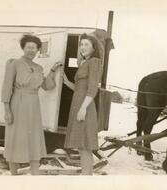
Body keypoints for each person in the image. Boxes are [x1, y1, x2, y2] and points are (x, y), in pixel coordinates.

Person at [1, 34, 62, 175]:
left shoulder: (39, 68)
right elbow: (6, 88)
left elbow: (47, 86)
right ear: (23, 48)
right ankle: (14, 176)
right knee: (15, 137)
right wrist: (7, 110)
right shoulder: (14, 63)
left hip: (34, 106)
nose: (31, 50)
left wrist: (53, 70)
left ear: (38, 49)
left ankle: (35, 177)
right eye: (28, 47)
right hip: (17, 104)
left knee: (34, 138)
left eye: (34, 47)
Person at [63, 33, 102, 175]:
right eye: (82, 44)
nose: (83, 47)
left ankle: (87, 178)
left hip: (84, 106)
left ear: (93, 48)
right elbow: (80, 88)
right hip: (78, 105)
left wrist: (83, 108)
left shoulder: (94, 61)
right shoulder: (84, 63)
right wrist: (67, 82)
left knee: (85, 146)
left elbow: (92, 88)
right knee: (81, 146)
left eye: (87, 44)